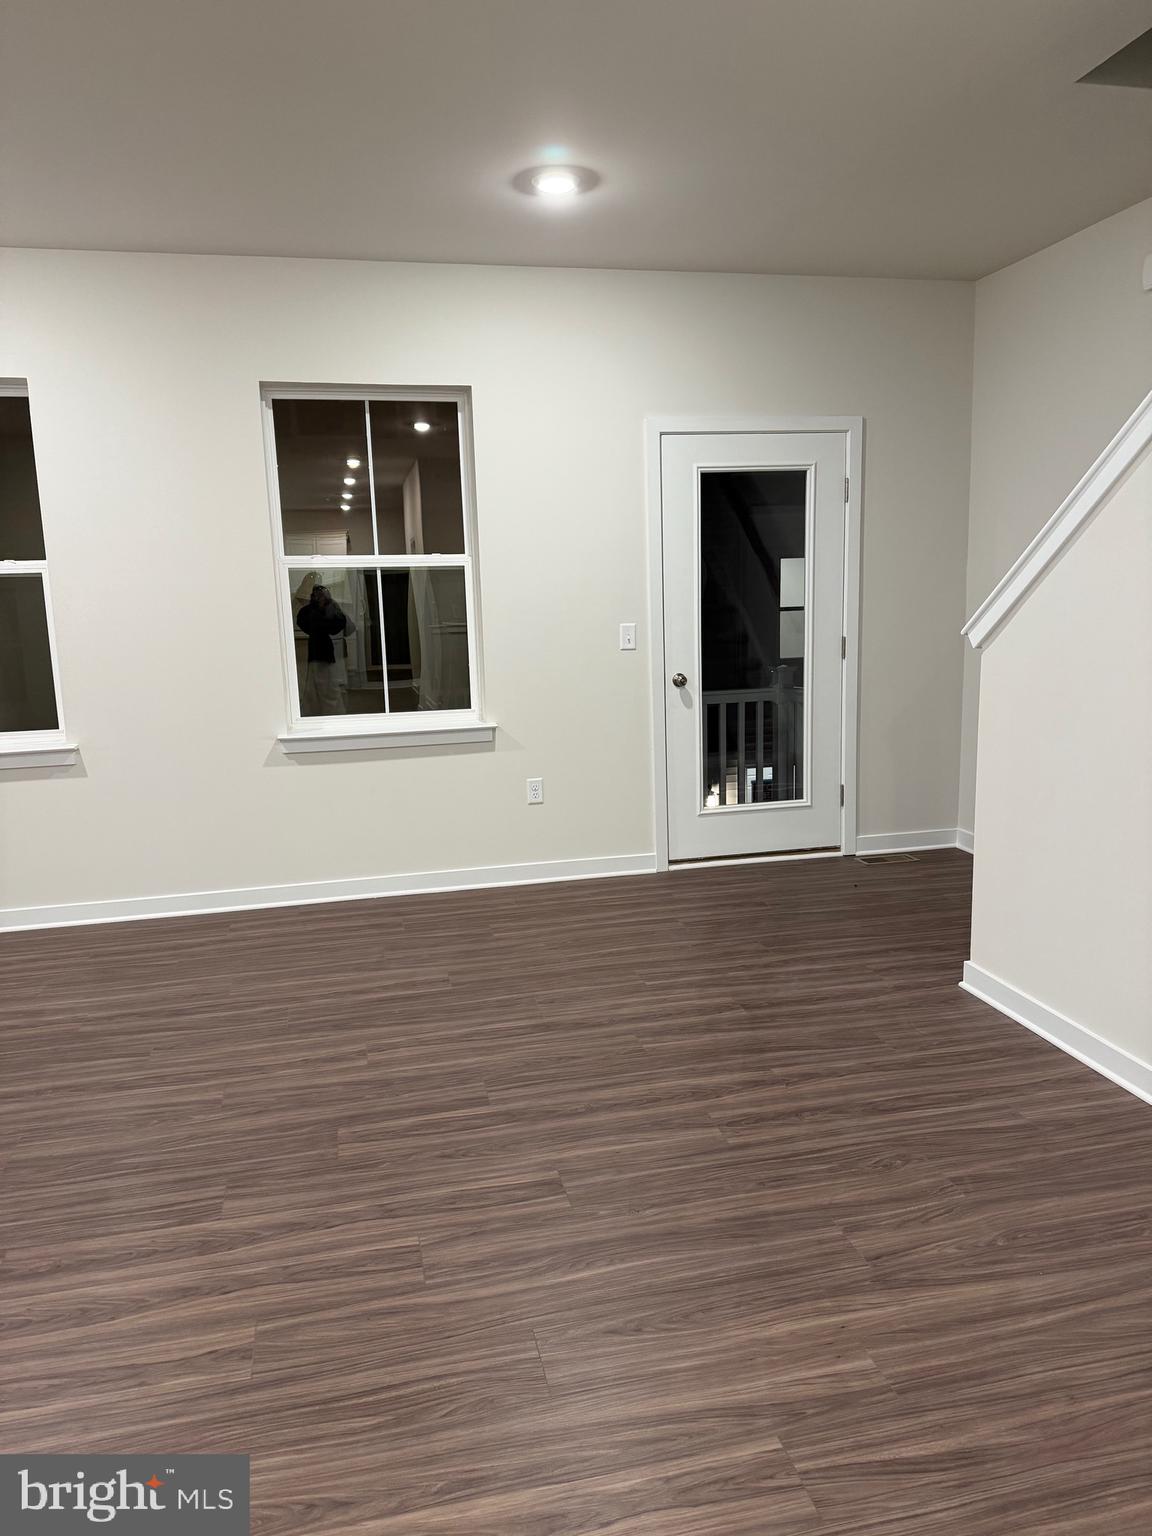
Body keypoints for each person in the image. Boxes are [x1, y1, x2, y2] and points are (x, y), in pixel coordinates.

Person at [296, 583, 352, 715]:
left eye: (322, 595)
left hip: (327, 649)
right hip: (318, 648)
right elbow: (305, 622)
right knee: (318, 685)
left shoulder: (329, 608)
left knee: (328, 685)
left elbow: (341, 623)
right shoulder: (310, 611)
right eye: (317, 595)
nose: (319, 597)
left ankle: (331, 714)